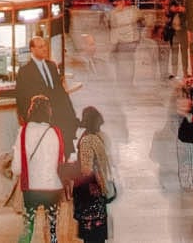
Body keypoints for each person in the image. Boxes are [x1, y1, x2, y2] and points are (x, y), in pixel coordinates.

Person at [16, 28, 79, 152]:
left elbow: (60, 91)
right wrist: (27, 120)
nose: (44, 49)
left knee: (63, 152)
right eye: (40, 47)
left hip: (60, 118)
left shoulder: (51, 66)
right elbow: (21, 98)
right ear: (32, 50)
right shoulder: (25, 71)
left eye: (44, 46)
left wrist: (71, 113)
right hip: (41, 121)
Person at [16, 97, 67, 243]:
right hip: (52, 188)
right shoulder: (55, 132)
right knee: (52, 231)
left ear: (31, 111)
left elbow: (17, 166)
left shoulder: (23, 131)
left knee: (28, 229)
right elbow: (61, 161)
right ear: (48, 111)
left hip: (31, 189)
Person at [72, 104, 117, 241]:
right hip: (100, 191)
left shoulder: (87, 140)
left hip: (89, 195)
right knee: (98, 235)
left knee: (90, 236)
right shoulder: (101, 136)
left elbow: (86, 169)